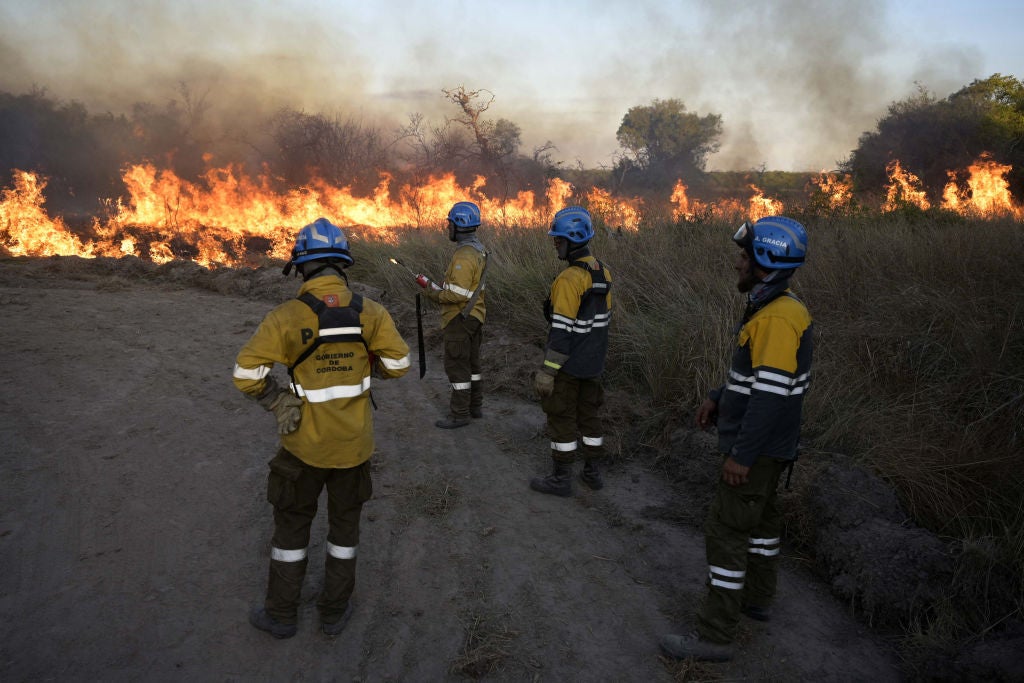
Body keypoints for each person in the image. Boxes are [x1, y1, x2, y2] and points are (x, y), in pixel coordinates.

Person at [233, 217, 410, 639]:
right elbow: (400, 364)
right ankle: (333, 613)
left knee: (292, 531)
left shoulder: (286, 317)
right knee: (344, 534)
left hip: (302, 449)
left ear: (301, 266)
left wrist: (276, 399)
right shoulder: (372, 312)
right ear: (342, 264)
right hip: (355, 448)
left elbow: (245, 374)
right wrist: (368, 366)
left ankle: (281, 615)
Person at [660, 216, 813, 662]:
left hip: (758, 451)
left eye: (744, 256)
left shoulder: (779, 318)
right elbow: (755, 379)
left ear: (765, 261)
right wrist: (718, 398)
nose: (737, 263)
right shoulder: (775, 309)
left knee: (726, 533)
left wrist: (742, 456)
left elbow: (769, 396)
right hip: (772, 448)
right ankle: (758, 601)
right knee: (762, 528)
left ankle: (714, 635)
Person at [529, 206, 612, 497]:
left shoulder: (568, 280)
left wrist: (548, 372)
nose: (555, 243)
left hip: (569, 366)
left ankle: (561, 479)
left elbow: (561, 332)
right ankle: (592, 473)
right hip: (594, 363)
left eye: (558, 239)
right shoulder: (602, 272)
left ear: (572, 240)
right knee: (590, 417)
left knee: (561, 416)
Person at [417, 201, 488, 429]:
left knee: (457, 367)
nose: (447, 228)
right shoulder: (478, 250)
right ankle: (474, 407)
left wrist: (431, 292)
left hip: (459, 319)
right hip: (475, 316)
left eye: (450, 224)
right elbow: (466, 290)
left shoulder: (464, 256)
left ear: (459, 225)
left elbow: (456, 295)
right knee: (472, 365)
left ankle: (459, 415)